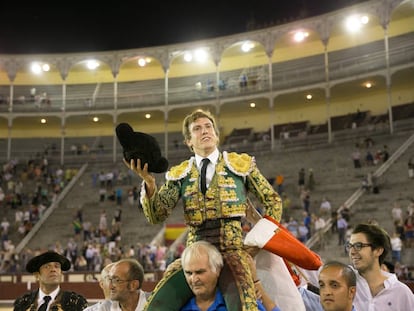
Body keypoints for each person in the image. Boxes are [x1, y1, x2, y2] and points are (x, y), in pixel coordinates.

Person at [126, 109, 283, 310]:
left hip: (232, 251)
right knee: (157, 305)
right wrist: (149, 183)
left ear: (216, 135)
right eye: (197, 129)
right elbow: (157, 215)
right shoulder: (180, 173)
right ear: (188, 141)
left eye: (208, 127)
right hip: (194, 255)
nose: (204, 131)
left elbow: (273, 201)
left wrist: (258, 241)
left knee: (244, 306)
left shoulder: (239, 164)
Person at [180, 240, 281, 311]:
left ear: (217, 270)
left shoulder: (239, 301)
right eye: (189, 273)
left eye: (200, 272)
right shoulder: (179, 307)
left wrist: (256, 283)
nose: (193, 279)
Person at [347, 223, 414, 310]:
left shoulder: (402, 293)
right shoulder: (345, 285)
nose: (352, 252)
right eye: (350, 246)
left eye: (358, 246)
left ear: (378, 250)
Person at [13, 251, 88, 311]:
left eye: (57, 266)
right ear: (37, 275)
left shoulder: (75, 303)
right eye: (47, 266)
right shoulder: (23, 303)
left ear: (61, 274)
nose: (53, 269)